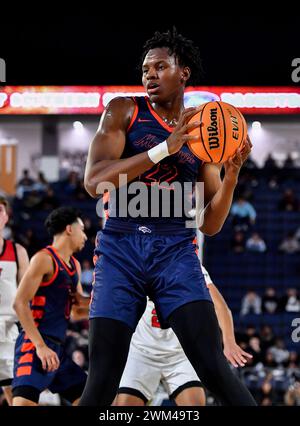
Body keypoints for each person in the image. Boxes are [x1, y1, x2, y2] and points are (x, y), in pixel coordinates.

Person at [80, 28, 255, 406]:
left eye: (160, 67)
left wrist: (233, 174)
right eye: (145, 69)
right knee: (102, 379)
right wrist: (163, 149)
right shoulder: (124, 110)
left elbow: (211, 223)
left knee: (213, 367)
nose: (150, 75)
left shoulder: (203, 129)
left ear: (184, 72)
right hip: (121, 247)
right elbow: (94, 183)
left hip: (175, 250)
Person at [114, 265, 252, 406]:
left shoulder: (188, 262)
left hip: (180, 353)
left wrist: (229, 342)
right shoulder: (132, 262)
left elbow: (220, 306)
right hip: (141, 351)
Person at [12, 207, 89, 406]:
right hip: (34, 345)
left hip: (57, 350)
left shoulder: (75, 265)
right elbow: (19, 303)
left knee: (91, 399)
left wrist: (107, 300)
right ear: (69, 229)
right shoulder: (43, 259)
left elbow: (76, 309)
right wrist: (40, 346)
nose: (86, 236)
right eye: (82, 229)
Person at [0, 197, 29, 405]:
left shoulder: (17, 251)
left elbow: (28, 296)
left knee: (14, 391)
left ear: (6, 216)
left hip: (8, 328)